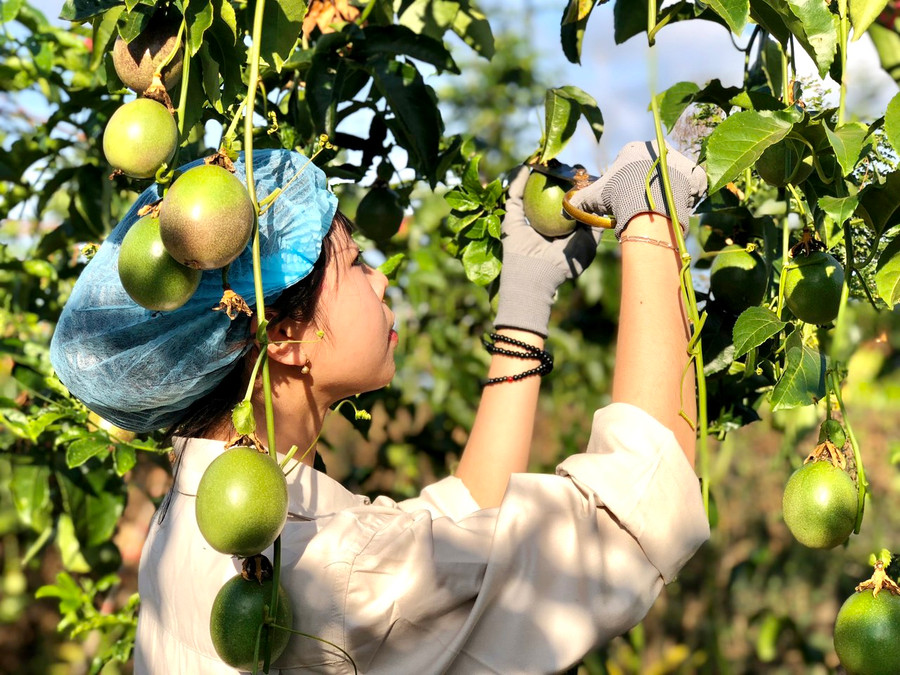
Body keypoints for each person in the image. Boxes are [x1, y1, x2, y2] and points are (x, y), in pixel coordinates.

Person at [50, 141, 710, 674]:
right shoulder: (332, 573)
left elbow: (452, 528)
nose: (383, 276)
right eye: (358, 261)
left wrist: (523, 307)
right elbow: (635, 514)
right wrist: (652, 224)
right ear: (284, 337)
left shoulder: (208, 508)